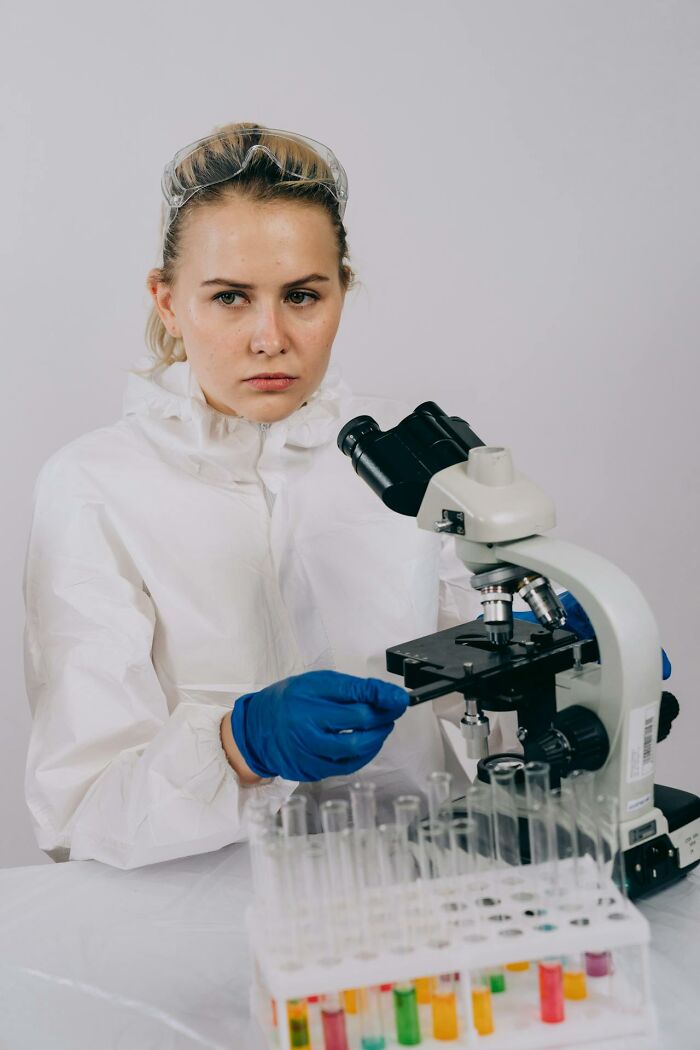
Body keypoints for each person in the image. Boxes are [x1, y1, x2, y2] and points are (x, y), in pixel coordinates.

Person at [22, 122, 670, 871]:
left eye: (302, 295)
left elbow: (484, 701)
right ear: (166, 301)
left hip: (424, 878)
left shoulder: (403, 467)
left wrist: (577, 667)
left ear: (341, 292)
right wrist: (238, 744)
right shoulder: (95, 486)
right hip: (206, 913)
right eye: (230, 297)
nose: (270, 337)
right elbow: (80, 814)